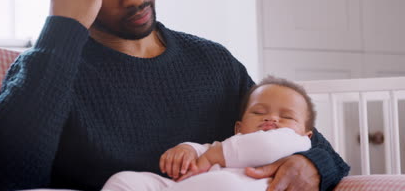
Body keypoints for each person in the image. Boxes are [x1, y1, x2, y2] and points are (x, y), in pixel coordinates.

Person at [0, 0, 349, 190]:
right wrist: (63, 26)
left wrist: (313, 165)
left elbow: (306, 137)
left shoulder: (213, 63)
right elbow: (0, 175)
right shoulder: (47, 69)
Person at [102, 76, 315, 191]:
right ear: (238, 128)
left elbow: (266, 146)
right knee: (124, 181)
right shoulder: (225, 143)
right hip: (178, 186)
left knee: (226, 185)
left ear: (307, 135)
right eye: (259, 112)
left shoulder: (296, 143)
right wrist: (186, 150)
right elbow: (202, 150)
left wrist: (213, 156)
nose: (272, 119)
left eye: (287, 117)